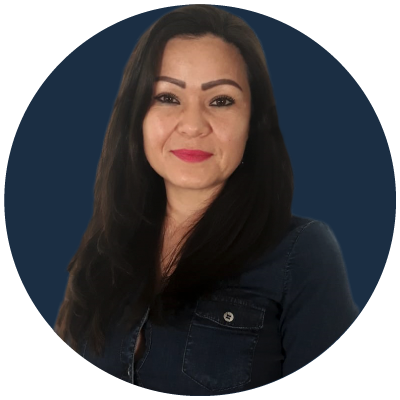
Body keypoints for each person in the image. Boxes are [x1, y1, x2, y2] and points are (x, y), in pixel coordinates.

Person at [54, 5, 359, 394]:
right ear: (137, 116)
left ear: (253, 123)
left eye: (221, 100)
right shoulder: (103, 249)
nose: (193, 125)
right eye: (168, 97)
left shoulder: (303, 254)